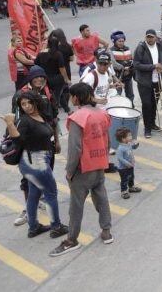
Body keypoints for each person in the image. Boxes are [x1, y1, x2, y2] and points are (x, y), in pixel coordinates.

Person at [50, 83, 113, 257]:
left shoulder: (78, 117)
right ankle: (106, 231)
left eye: (71, 96)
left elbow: (75, 149)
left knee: (76, 206)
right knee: (101, 198)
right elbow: (107, 139)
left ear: (76, 98)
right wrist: (105, 158)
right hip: (100, 163)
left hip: (83, 168)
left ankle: (71, 239)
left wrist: (70, 171)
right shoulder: (102, 113)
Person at [1, 92, 68, 239]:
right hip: (35, 162)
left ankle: (33, 227)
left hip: (36, 161)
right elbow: (18, 141)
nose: (26, 106)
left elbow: (50, 128)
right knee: (51, 193)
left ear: (35, 101)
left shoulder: (41, 115)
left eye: (28, 102)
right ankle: (56, 226)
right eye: (23, 104)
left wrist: (55, 142)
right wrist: (10, 123)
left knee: (34, 194)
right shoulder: (24, 121)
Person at [132, 29, 162, 138]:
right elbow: (136, 64)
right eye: (148, 37)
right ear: (145, 37)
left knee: (154, 104)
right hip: (144, 82)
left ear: (156, 37)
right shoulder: (141, 48)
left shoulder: (160, 47)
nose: (150, 39)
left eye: (152, 37)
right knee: (146, 104)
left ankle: (152, 123)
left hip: (157, 80)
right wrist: (153, 66)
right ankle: (147, 128)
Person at [35, 35, 72, 113]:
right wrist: (66, 79)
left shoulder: (41, 53)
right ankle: (53, 114)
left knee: (59, 94)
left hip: (45, 78)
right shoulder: (58, 54)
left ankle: (67, 109)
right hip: (57, 78)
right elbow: (62, 68)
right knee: (56, 96)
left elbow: (36, 64)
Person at [114, 127, 141, 199]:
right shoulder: (120, 148)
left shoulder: (128, 144)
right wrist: (127, 163)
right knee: (124, 180)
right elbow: (120, 158)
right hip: (123, 169)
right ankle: (124, 191)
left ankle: (131, 187)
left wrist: (136, 144)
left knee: (131, 177)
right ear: (123, 139)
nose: (131, 137)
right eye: (129, 136)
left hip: (130, 166)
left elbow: (133, 147)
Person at [109, 31, 135, 102]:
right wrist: (123, 68)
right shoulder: (111, 51)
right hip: (117, 78)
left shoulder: (127, 49)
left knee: (130, 95)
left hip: (128, 76)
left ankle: (131, 107)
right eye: (119, 41)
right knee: (117, 95)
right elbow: (113, 63)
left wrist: (130, 67)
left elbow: (132, 59)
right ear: (114, 41)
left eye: (122, 41)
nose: (121, 43)